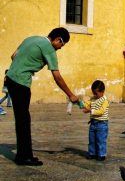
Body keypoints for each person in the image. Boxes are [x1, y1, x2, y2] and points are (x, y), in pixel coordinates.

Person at [5, 27, 78, 166]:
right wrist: (71, 95)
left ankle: (26, 154)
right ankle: (23, 157)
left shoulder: (31, 39)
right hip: (21, 82)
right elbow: (57, 76)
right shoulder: (48, 48)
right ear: (58, 39)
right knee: (23, 120)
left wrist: (21, 66)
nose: (61, 48)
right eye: (62, 45)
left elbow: (13, 55)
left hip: (10, 79)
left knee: (22, 119)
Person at [82, 80, 109, 161]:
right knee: (92, 139)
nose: (94, 95)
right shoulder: (93, 98)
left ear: (102, 92)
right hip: (93, 123)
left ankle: (101, 154)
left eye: (96, 93)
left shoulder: (104, 100)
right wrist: (81, 104)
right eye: (93, 93)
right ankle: (92, 153)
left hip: (102, 124)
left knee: (101, 140)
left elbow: (101, 111)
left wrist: (90, 110)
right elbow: (87, 104)